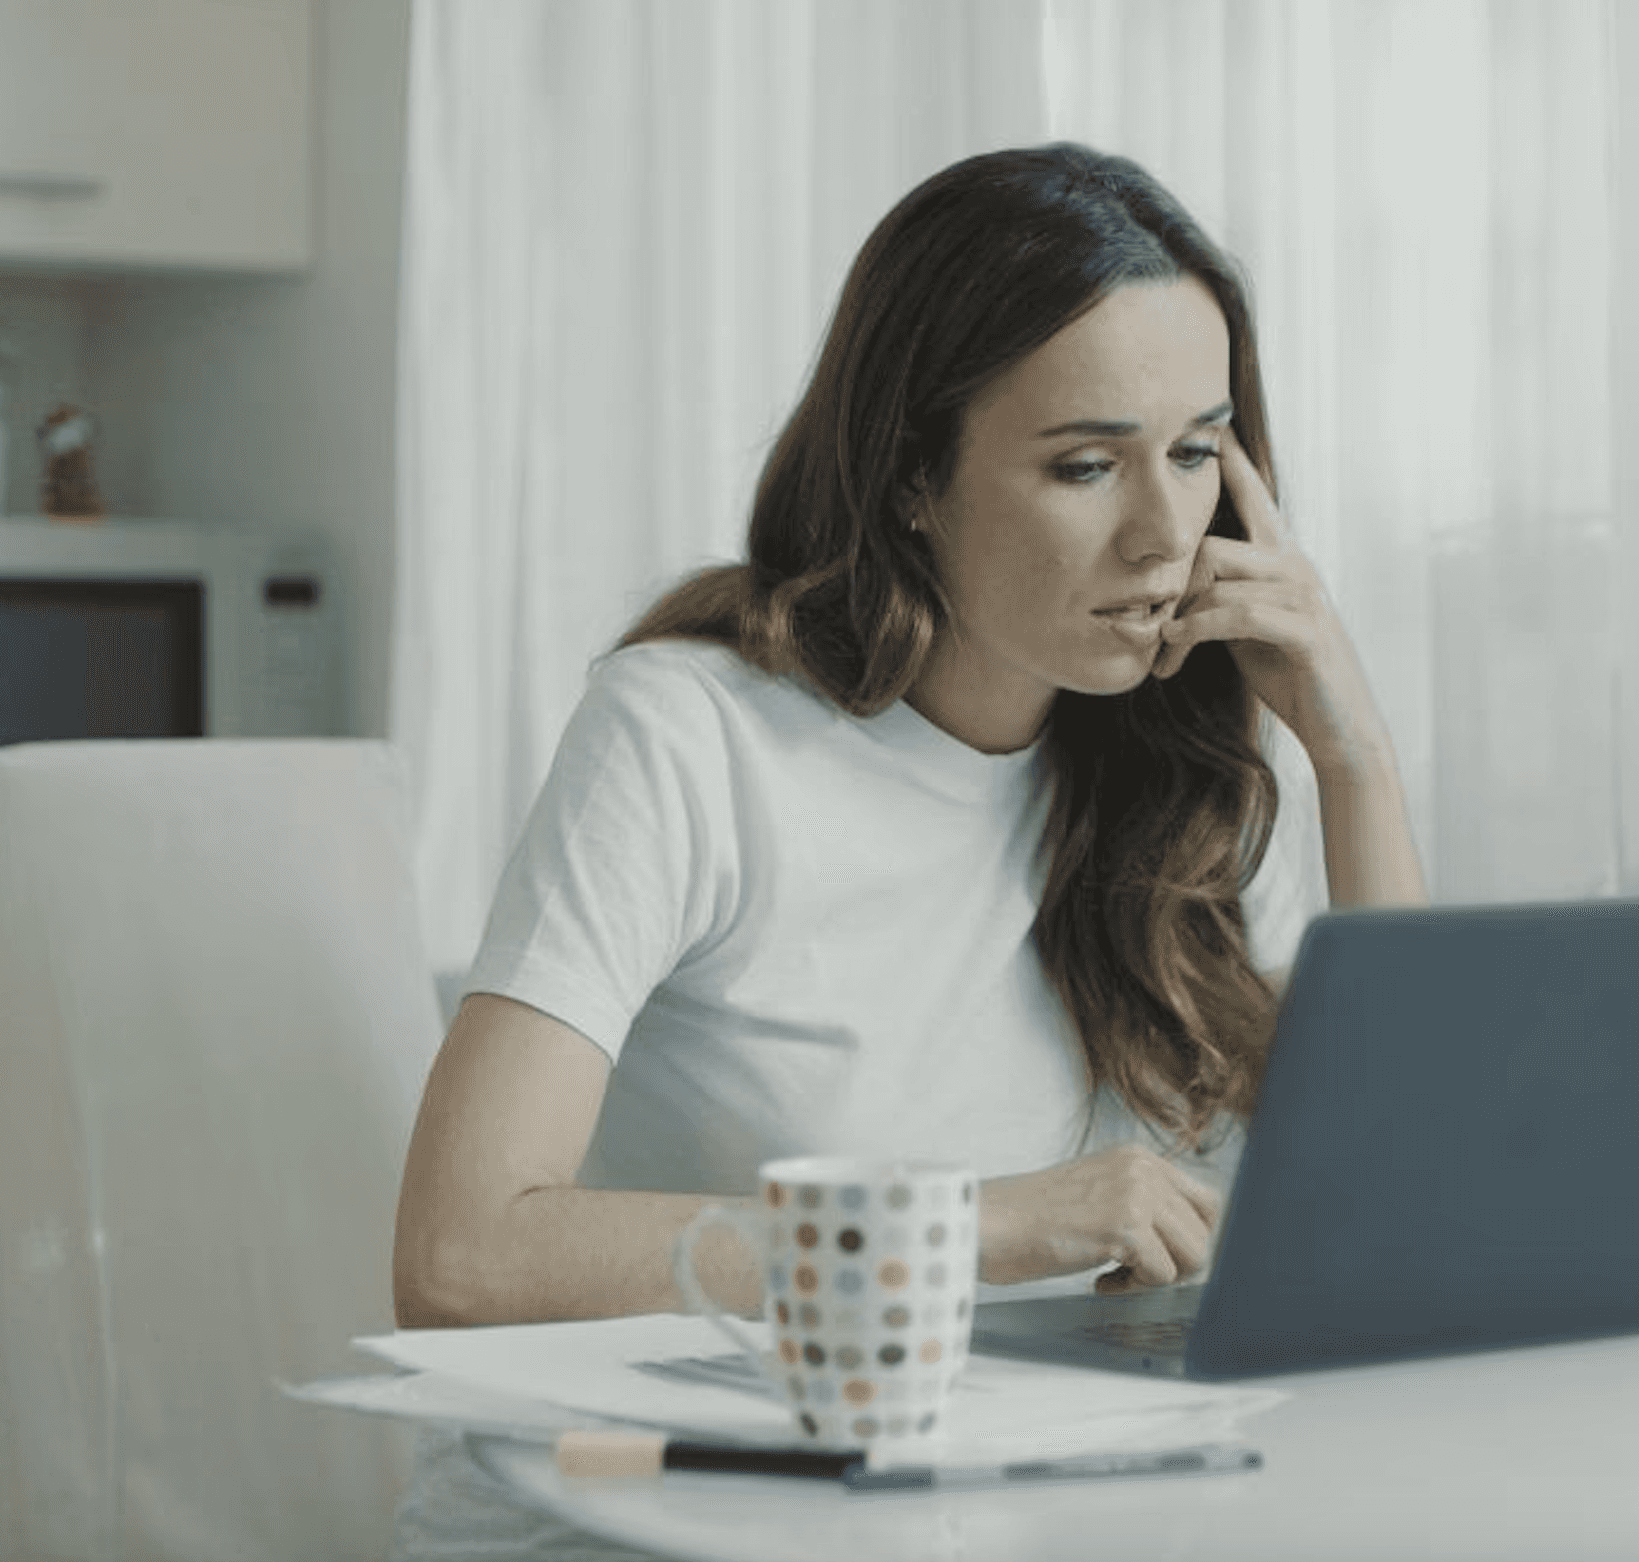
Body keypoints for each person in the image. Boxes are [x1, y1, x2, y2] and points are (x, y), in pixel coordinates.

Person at [386, 142, 1425, 1557]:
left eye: (1195, 454)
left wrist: (1351, 752)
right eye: (1084, 465)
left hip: (1010, 1509)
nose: (1165, 533)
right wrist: (987, 1229)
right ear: (912, 480)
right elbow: (461, 1256)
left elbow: (1398, 1210)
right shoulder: (691, 735)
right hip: (659, 1523)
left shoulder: (1176, 778)